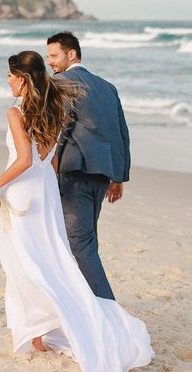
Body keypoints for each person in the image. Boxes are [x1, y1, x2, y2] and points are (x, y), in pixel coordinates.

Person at [0, 51, 153, 371]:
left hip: (23, 193)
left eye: (11, 76)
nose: (7, 81)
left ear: (24, 79)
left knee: (25, 264)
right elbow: (51, 161)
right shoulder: (54, 109)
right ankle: (42, 332)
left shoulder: (16, 113)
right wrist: (49, 193)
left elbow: (24, 160)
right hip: (45, 192)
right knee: (50, 261)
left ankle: (41, 330)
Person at [46, 31, 130, 300]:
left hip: (74, 174)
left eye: (54, 55)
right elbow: (120, 134)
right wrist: (118, 177)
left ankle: (109, 311)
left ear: (71, 54)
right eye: (48, 57)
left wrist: (49, 169)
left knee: (81, 245)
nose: (50, 62)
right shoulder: (107, 86)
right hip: (103, 176)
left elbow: (59, 131)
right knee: (86, 243)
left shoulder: (61, 82)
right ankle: (86, 306)